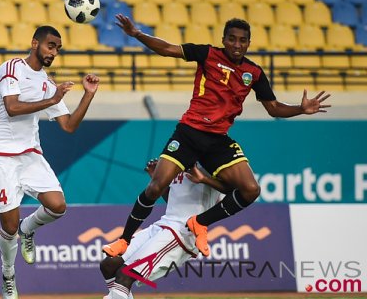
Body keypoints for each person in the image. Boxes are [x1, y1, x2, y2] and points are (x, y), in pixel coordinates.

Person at [103, 15, 331, 258]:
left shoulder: (253, 72)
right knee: (156, 186)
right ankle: (125, 240)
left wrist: (301, 109)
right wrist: (137, 33)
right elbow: (169, 49)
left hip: (218, 140)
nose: (236, 44)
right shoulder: (207, 54)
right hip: (189, 132)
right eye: (231, 39)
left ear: (249, 43)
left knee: (250, 190)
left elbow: (273, 108)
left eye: (242, 40)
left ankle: (199, 222)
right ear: (223, 40)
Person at [0, 25, 99, 299]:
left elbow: (69, 125)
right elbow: (12, 108)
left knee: (58, 206)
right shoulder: (11, 68)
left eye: (57, 48)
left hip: (30, 154)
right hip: (1, 154)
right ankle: (8, 275)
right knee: (8, 227)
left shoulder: (48, 83)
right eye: (50, 45)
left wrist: (88, 95)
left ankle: (29, 228)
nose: (53, 52)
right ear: (35, 43)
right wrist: (52, 99)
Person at [100, 159, 231, 299]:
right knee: (108, 265)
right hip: (164, 224)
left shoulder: (212, 160)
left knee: (125, 274)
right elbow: (174, 201)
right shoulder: (181, 158)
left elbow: (236, 190)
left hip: (183, 231)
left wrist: (204, 179)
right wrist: (158, 180)